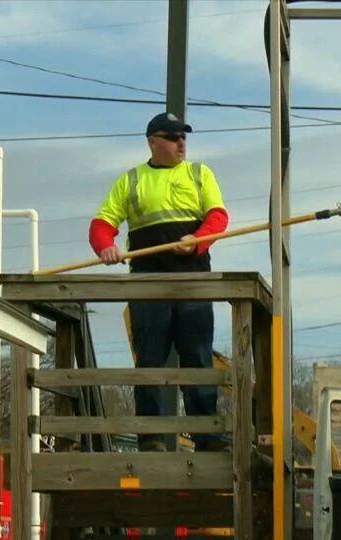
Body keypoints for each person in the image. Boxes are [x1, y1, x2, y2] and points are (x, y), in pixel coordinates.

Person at [88, 112, 229, 451]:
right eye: (173, 136)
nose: (181, 142)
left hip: (193, 280)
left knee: (197, 358)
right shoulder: (131, 180)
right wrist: (106, 247)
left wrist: (198, 239)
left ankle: (207, 436)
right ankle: (150, 438)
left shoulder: (199, 173)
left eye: (184, 136)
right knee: (150, 358)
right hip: (148, 281)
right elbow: (101, 224)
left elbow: (218, 217)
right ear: (153, 141)